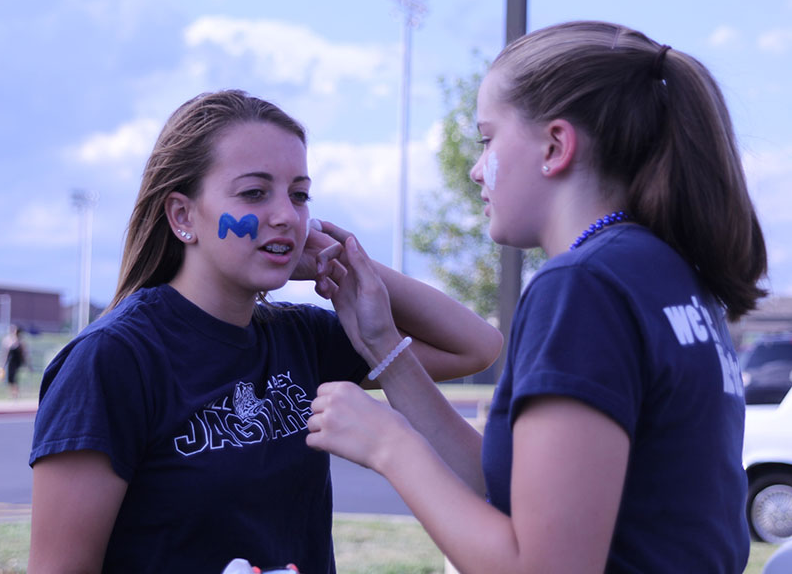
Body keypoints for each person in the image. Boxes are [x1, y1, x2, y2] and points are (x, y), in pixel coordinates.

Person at [304, 20, 768, 573]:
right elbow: (525, 494)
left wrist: (389, 447)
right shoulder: (667, 273)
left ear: (555, 146)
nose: (477, 169)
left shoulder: (585, 285)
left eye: (487, 138)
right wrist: (384, 346)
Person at [27, 89, 502, 573]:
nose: (286, 216)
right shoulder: (112, 360)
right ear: (183, 215)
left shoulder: (303, 338)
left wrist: (353, 262)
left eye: (298, 195)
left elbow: (476, 346)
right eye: (255, 193)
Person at [0, 324, 29, 399]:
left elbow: (24, 354)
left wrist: (26, 364)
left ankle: (15, 395)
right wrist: (2, 364)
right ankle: (13, 394)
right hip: (10, 362)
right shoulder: (9, 341)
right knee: (9, 379)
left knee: (13, 378)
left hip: (16, 363)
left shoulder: (20, 342)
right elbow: (5, 354)